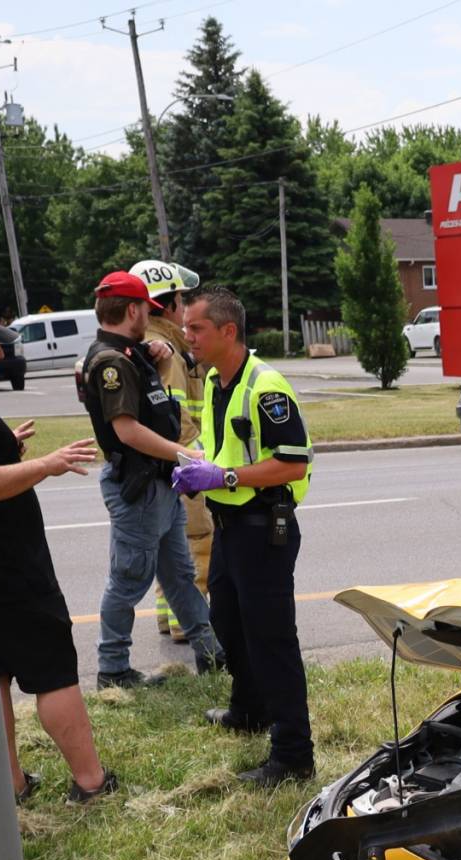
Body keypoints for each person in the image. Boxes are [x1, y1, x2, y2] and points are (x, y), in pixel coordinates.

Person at [0, 295, 119, 807]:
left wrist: (7, 449)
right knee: (53, 671)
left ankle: (11, 786)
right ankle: (91, 783)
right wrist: (46, 464)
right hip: (12, 564)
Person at [176, 287, 313, 786]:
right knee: (228, 626)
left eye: (196, 329)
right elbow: (220, 447)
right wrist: (195, 465)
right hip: (230, 528)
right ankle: (248, 709)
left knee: (272, 640)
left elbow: (292, 461)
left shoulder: (265, 386)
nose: (187, 336)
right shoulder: (215, 379)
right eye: (187, 328)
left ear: (227, 331)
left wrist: (224, 478)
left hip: (263, 529)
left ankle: (294, 754)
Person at [77, 271, 219, 689]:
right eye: (146, 309)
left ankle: (211, 652)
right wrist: (187, 454)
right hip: (137, 487)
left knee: (178, 573)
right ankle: (114, 669)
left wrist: (155, 361)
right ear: (134, 309)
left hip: (160, 485)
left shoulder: (132, 353)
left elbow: (153, 405)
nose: (150, 317)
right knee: (128, 580)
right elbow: (127, 430)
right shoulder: (110, 363)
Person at [130, 259, 215, 637]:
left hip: (161, 466)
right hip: (182, 463)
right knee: (197, 542)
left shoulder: (148, 345)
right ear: (167, 304)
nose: (184, 308)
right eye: (181, 299)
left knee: (173, 547)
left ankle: (169, 617)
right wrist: (198, 460)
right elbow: (176, 420)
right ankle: (188, 623)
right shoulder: (166, 354)